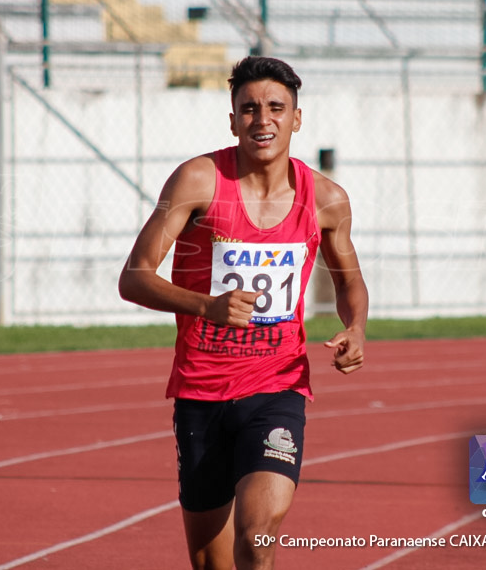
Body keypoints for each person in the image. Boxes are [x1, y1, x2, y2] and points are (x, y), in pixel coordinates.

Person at [118, 56, 368, 570]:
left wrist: (356, 328)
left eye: (276, 107)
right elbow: (134, 277)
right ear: (232, 120)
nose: (263, 119)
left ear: (297, 118)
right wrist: (205, 306)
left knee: (257, 540)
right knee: (212, 562)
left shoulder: (326, 199)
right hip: (201, 391)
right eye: (249, 108)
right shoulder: (197, 181)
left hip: (276, 388)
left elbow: (350, 282)